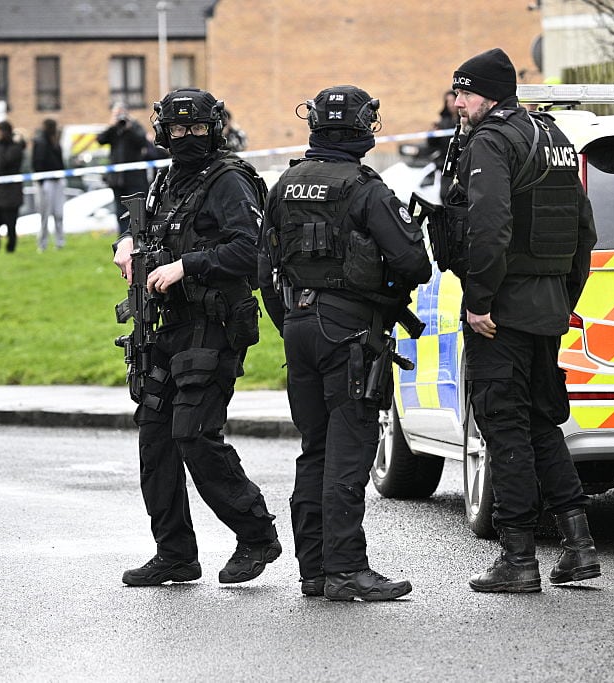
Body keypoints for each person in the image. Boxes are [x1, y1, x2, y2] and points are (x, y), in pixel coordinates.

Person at [257, 85, 432, 601]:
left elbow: (264, 271)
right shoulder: (365, 189)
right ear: (362, 127)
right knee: (349, 452)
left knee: (314, 450)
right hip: (351, 334)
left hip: (299, 328)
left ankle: (313, 570)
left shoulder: (284, 184)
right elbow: (415, 265)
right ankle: (346, 570)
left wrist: (291, 320)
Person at [112, 87, 281, 587]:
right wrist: (125, 243)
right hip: (164, 328)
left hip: (214, 324)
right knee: (156, 442)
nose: (188, 137)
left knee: (194, 435)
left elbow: (251, 251)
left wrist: (188, 265)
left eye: (198, 129)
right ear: (163, 131)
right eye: (179, 129)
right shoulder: (165, 180)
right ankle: (175, 554)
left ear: (215, 129)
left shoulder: (230, 181)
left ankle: (255, 534)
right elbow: (146, 228)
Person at [449, 48, 600, 593]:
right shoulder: (553, 138)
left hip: (503, 313)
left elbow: (488, 228)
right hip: (545, 309)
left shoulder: (491, 140)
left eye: (464, 92)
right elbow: (584, 231)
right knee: (540, 422)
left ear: (488, 94)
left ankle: (517, 558)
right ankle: (579, 548)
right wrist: (564, 298)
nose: (457, 101)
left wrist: (480, 300)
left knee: (504, 426)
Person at [98, 101, 151, 234]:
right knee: (120, 212)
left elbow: (143, 141)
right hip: (117, 180)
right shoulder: (113, 130)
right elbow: (100, 139)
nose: (120, 117)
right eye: (117, 114)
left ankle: (138, 237)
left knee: (136, 211)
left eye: (121, 114)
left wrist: (130, 128)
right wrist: (111, 125)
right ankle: (123, 238)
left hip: (134, 179)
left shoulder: (135, 126)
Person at [0, 120, 26, 256]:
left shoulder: (14, 148)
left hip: (11, 194)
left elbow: (6, 162)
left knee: (10, 224)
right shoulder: (1, 147)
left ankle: (10, 249)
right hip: (0, 193)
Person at [31, 118, 66, 252]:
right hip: (46, 181)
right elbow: (37, 162)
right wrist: (41, 182)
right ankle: (43, 243)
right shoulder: (41, 142)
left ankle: (60, 242)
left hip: (56, 180)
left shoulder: (55, 142)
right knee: (45, 214)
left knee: (58, 213)